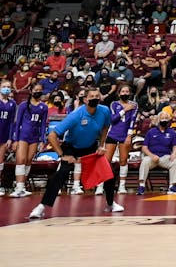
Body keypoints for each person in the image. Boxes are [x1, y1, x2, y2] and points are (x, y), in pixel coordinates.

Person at [26, 87, 122, 219]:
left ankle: (110, 204)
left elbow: (105, 127)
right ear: (85, 100)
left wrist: (101, 145)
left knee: (109, 172)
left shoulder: (104, 111)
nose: (95, 98)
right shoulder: (76, 115)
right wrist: (62, 155)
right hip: (71, 148)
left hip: (90, 147)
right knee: (61, 174)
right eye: (91, 96)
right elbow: (52, 136)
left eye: (97, 96)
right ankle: (41, 206)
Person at [10, 85, 48, 198]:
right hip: (23, 136)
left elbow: (43, 124)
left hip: (35, 137)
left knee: (28, 160)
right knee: (21, 160)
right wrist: (15, 139)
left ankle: (22, 186)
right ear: (31, 91)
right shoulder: (23, 105)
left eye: (40, 91)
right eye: (35, 90)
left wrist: (42, 140)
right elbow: (17, 123)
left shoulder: (44, 107)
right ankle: (18, 188)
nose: (38, 92)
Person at [104, 86, 140, 195]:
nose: (125, 93)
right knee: (106, 160)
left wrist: (129, 135)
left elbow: (132, 121)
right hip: (113, 133)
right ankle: (102, 185)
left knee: (123, 160)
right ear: (119, 94)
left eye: (127, 91)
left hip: (125, 135)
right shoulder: (114, 104)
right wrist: (124, 110)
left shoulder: (134, 105)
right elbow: (113, 119)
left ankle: (122, 186)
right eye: (123, 91)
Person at [137, 115, 176, 195]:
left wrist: (174, 153)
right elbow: (144, 148)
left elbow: (175, 146)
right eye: (162, 118)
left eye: (166, 118)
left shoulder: (172, 132)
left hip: (165, 157)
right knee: (145, 161)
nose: (164, 120)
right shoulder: (151, 132)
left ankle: (172, 186)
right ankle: (141, 186)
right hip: (152, 157)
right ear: (158, 120)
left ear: (168, 121)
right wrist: (152, 156)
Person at [0, 82, 16, 195]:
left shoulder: (13, 103)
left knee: (0, 161)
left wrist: (10, 138)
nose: (6, 89)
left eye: (8, 87)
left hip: (4, 135)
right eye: (4, 87)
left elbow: (12, 122)